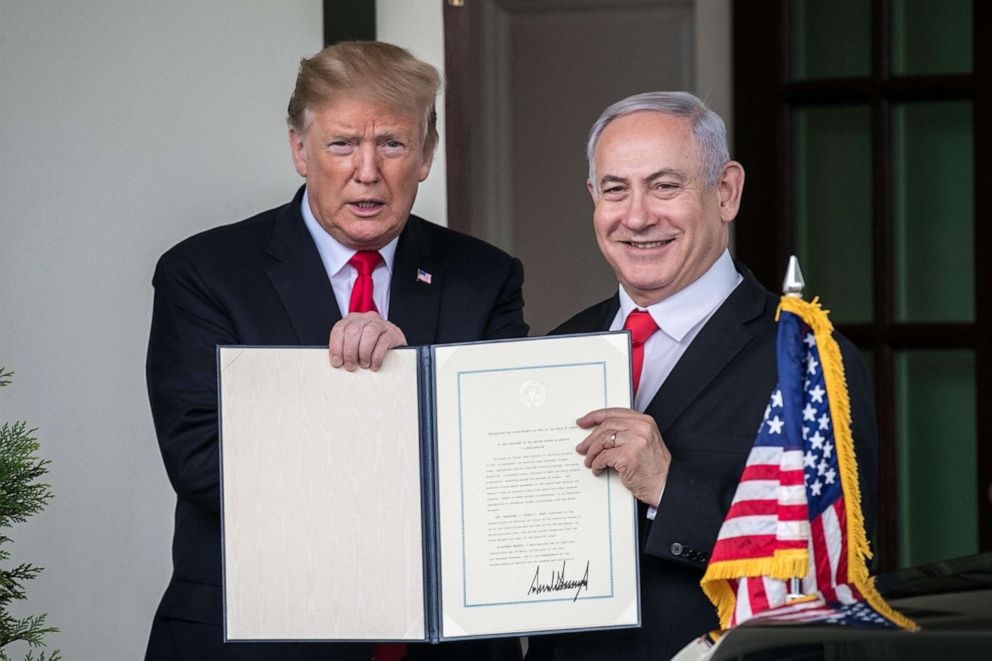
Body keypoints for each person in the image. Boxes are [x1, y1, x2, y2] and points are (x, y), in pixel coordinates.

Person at [145, 41, 527, 661]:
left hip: (445, 645)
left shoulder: (484, 278)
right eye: (343, 143)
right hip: (258, 642)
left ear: (427, 155)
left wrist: (411, 374)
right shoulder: (205, 274)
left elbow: (503, 460)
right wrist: (384, 403)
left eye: (394, 144)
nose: (368, 171)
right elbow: (204, 465)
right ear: (301, 150)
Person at [524, 92, 878, 661]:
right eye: (616, 188)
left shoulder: (808, 360)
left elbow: (825, 579)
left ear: (726, 191)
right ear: (594, 199)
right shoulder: (558, 350)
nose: (637, 216)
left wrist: (668, 486)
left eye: (665, 186)